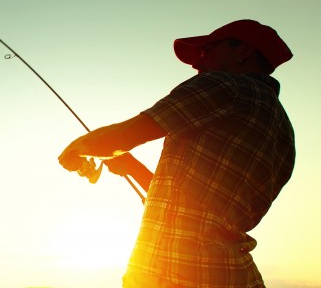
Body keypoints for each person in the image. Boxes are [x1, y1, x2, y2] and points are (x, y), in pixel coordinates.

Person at [58, 19, 295, 288]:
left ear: (243, 51)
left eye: (207, 51)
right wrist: (132, 166)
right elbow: (195, 206)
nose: (197, 64)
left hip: (174, 272)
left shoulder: (225, 86)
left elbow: (131, 132)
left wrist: (77, 149)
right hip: (235, 275)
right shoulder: (284, 129)